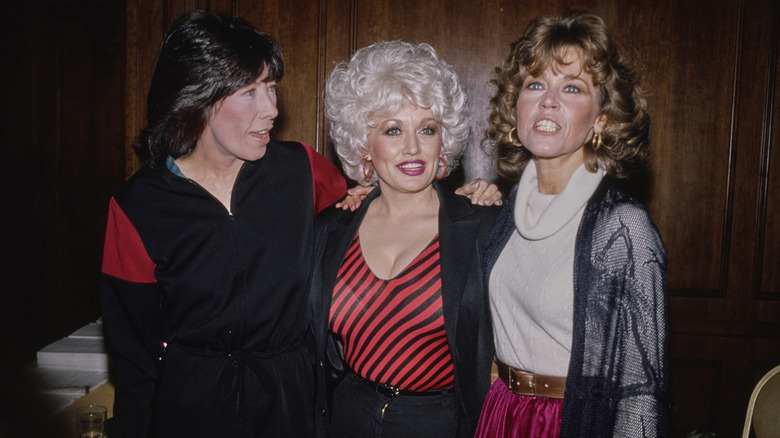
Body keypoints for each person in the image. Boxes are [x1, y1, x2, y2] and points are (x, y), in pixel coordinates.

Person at [98, 10, 349, 437]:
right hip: (189, 407)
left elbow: (378, 210)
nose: (271, 108)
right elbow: (133, 356)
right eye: (250, 92)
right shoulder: (137, 207)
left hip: (291, 402)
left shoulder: (302, 170)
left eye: (271, 87)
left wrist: (457, 202)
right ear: (197, 98)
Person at [475, 10, 669, 438]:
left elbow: (641, 394)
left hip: (571, 422)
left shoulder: (623, 228)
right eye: (535, 84)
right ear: (516, 105)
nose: (548, 100)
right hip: (502, 413)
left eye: (572, 87)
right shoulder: (503, 213)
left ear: (601, 118)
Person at [310, 40, 498, 438]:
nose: (413, 147)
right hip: (347, 415)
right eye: (393, 130)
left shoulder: (479, 228)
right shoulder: (333, 227)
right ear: (364, 142)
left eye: (427, 129)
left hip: (438, 423)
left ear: (443, 141)